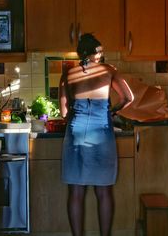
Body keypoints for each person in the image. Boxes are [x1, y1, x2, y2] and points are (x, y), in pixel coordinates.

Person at [59, 33, 134, 236]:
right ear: (94, 53)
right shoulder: (109, 70)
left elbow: (64, 113)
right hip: (101, 133)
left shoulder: (68, 73)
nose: (102, 55)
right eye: (100, 52)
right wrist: (112, 111)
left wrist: (79, 112)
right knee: (103, 190)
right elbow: (128, 97)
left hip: (76, 131)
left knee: (76, 191)